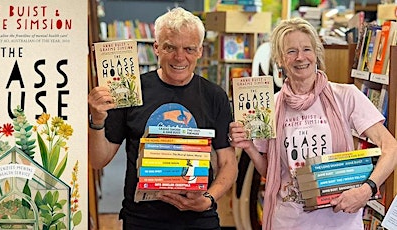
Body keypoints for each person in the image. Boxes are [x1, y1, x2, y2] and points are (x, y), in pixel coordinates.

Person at [228, 17, 397, 230]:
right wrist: (249, 147)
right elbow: (271, 172)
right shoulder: (270, 105)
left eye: (306, 49)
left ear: (316, 53)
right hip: (289, 222)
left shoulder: (345, 96)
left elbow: (391, 148)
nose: (300, 58)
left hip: (339, 221)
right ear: (280, 59)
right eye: (291, 51)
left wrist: (366, 190)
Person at [88, 7, 238, 230]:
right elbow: (98, 160)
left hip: (199, 220)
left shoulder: (214, 96)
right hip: (142, 220)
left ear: (200, 51)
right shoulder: (130, 92)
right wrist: (97, 120)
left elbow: (228, 162)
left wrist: (208, 199)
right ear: (156, 48)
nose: (180, 57)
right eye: (170, 47)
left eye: (189, 49)